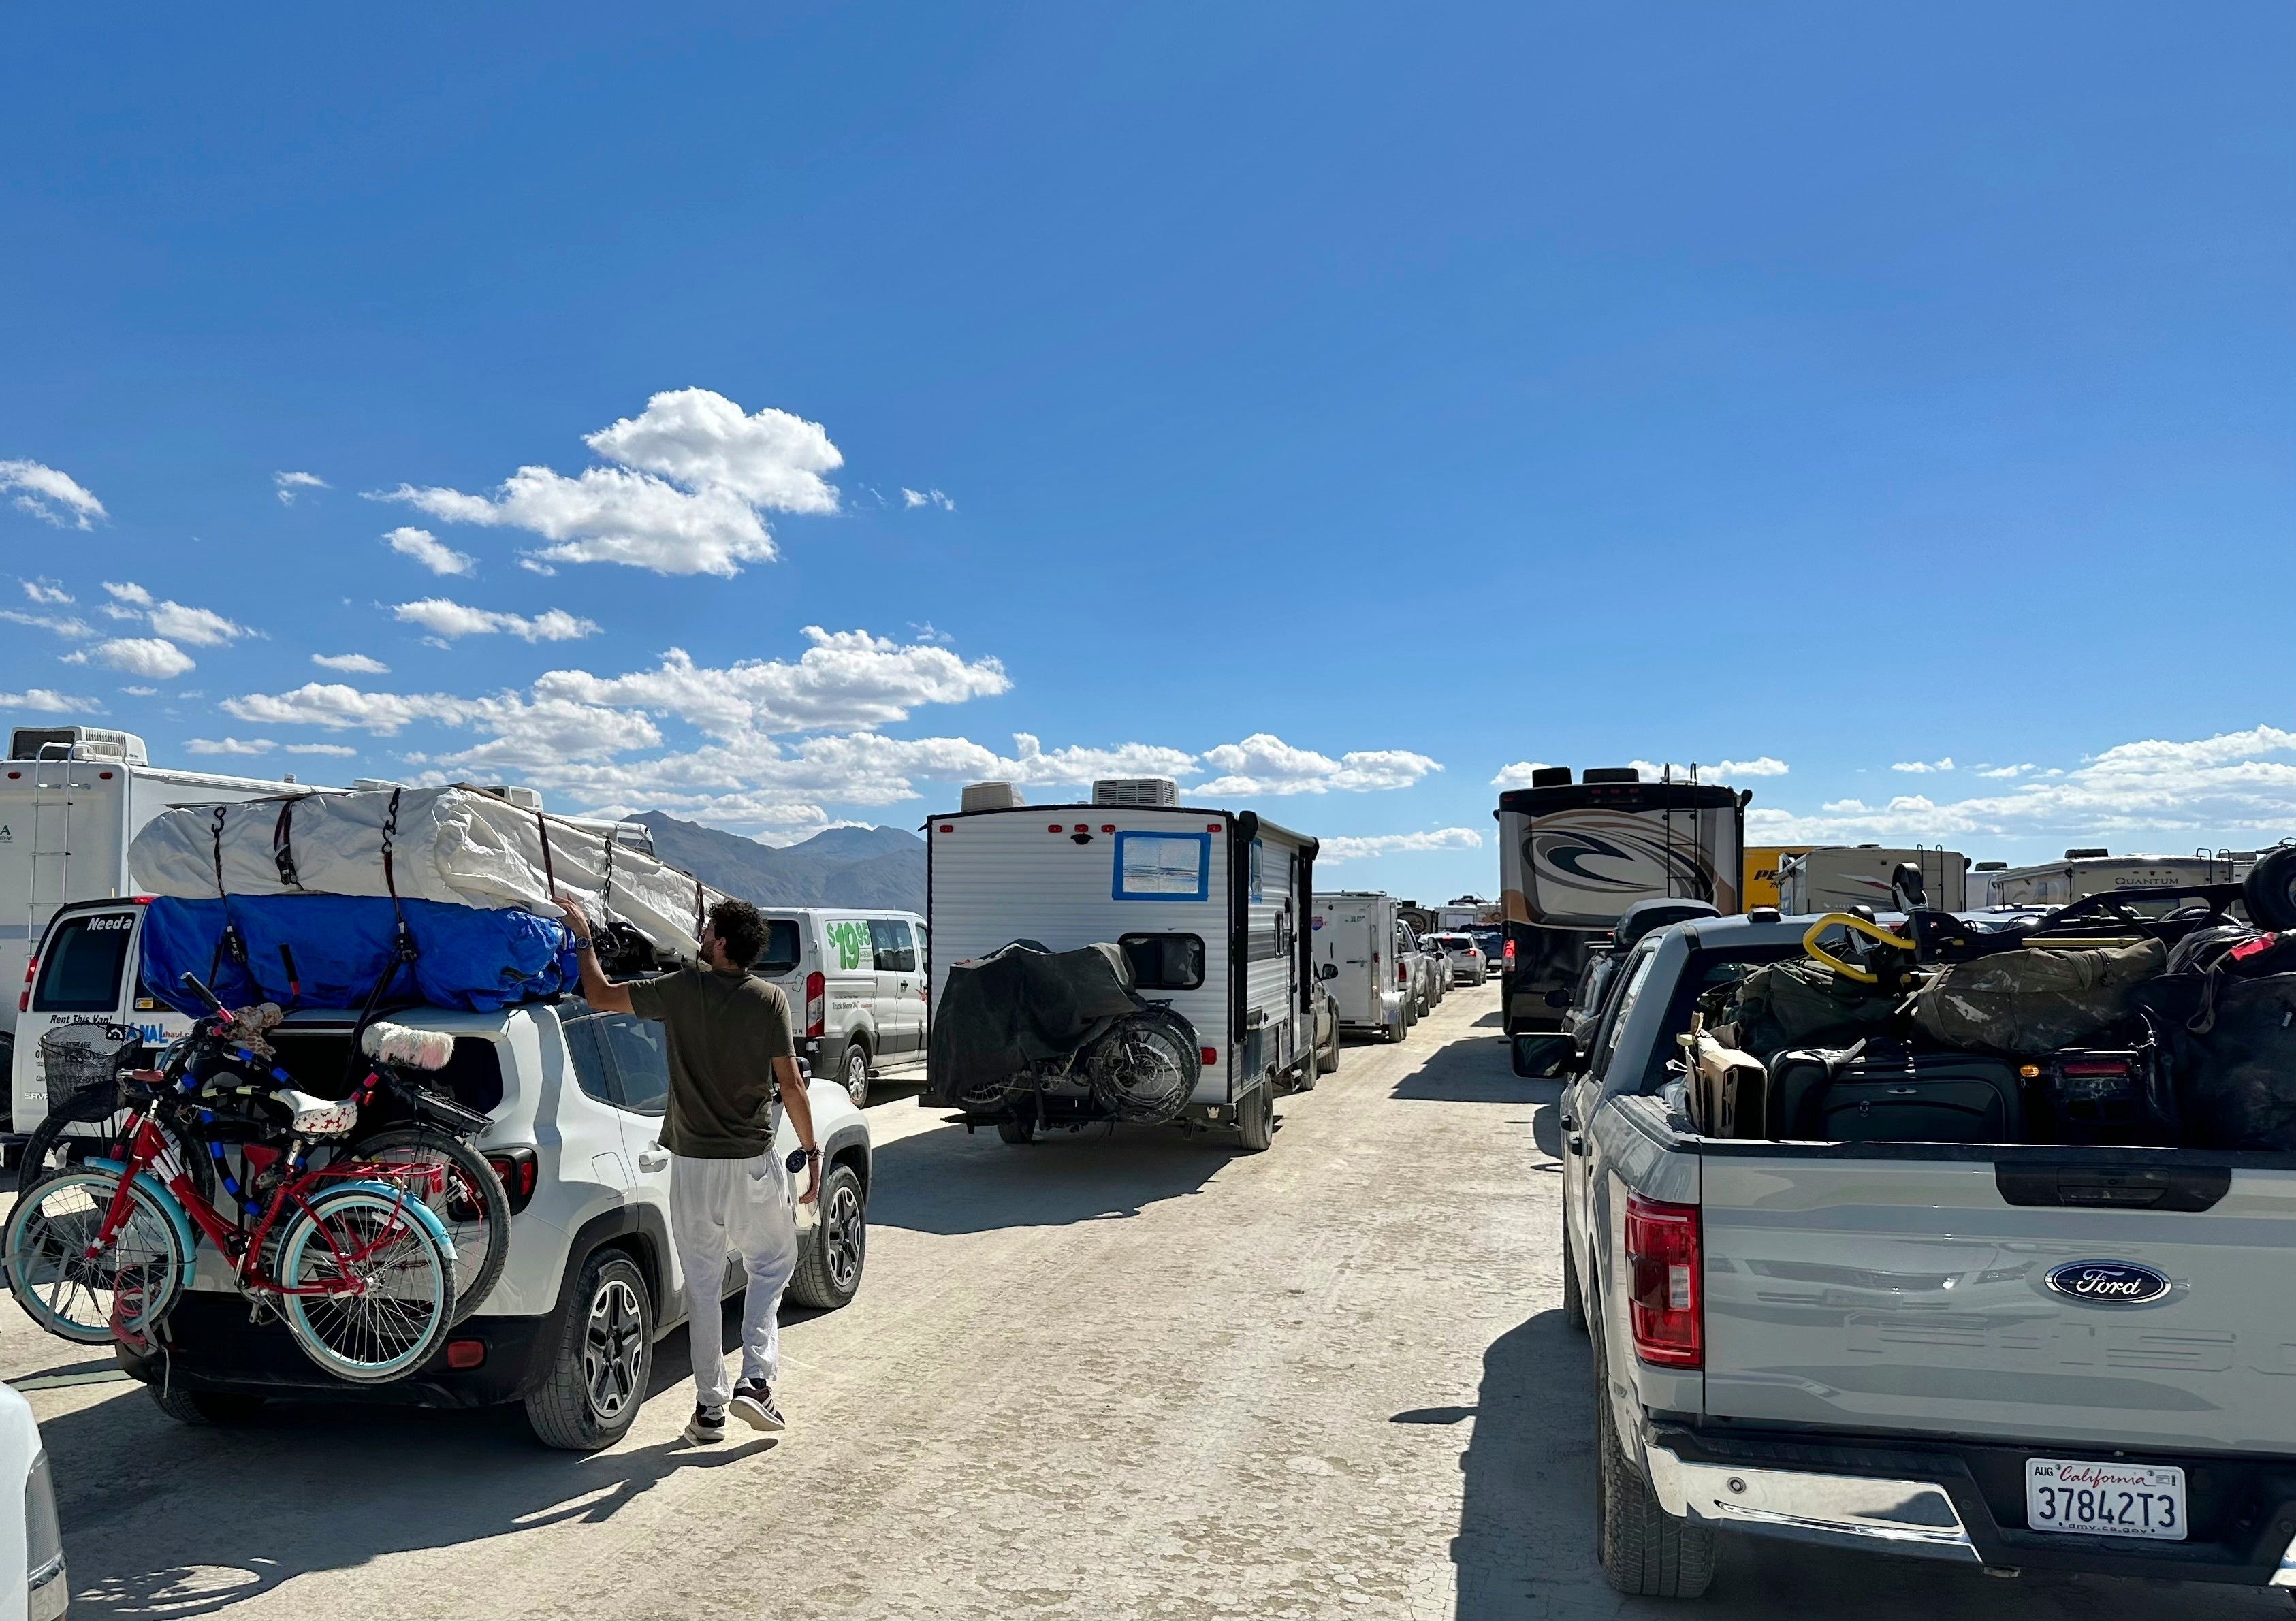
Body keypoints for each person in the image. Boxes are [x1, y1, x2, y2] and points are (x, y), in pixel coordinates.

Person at [556, 893, 820, 1445]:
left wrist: (583, 936)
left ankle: (710, 1410)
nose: (700, 934)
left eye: (708, 929)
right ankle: (756, 1379)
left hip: (692, 1166)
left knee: (702, 1286)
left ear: (722, 941)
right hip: (749, 1162)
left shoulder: (679, 991)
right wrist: (813, 1152)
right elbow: (792, 1084)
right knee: (772, 1262)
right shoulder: (769, 1000)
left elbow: (599, 993)